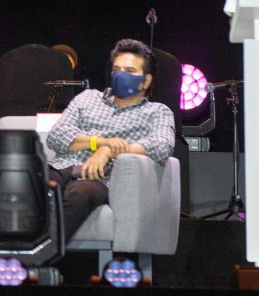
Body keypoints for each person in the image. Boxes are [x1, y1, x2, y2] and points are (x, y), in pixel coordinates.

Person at [42, 40, 176, 238]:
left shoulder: (157, 112)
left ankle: (36, 257)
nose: (120, 75)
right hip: (61, 167)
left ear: (146, 81)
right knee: (29, 184)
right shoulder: (88, 98)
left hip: (98, 178)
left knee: (80, 194)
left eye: (129, 71)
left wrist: (109, 152)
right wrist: (100, 143)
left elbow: (162, 145)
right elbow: (56, 136)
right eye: (117, 69)